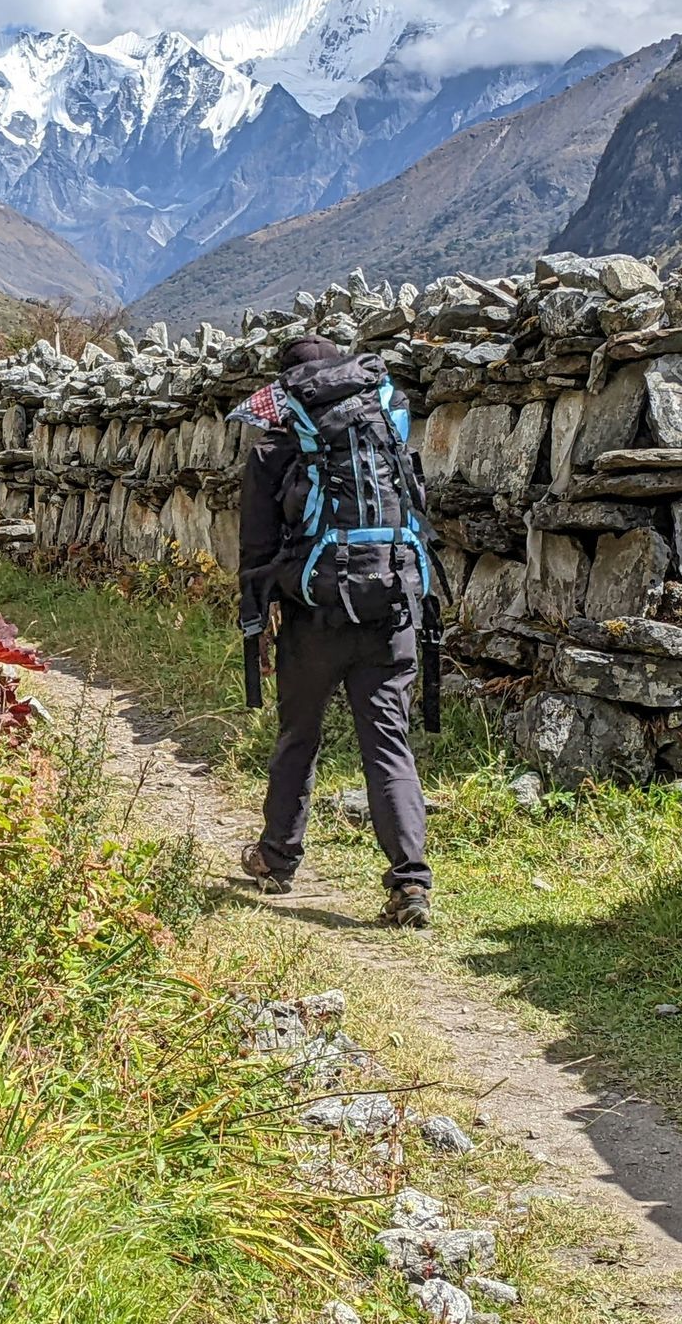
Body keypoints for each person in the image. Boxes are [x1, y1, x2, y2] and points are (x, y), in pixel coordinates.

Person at [232, 335, 435, 929]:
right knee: (388, 744)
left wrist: (259, 618)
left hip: (314, 614)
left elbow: (256, 549)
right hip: (393, 607)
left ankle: (277, 858)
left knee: (300, 736)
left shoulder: (277, 448)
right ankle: (410, 883)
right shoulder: (383, 431)